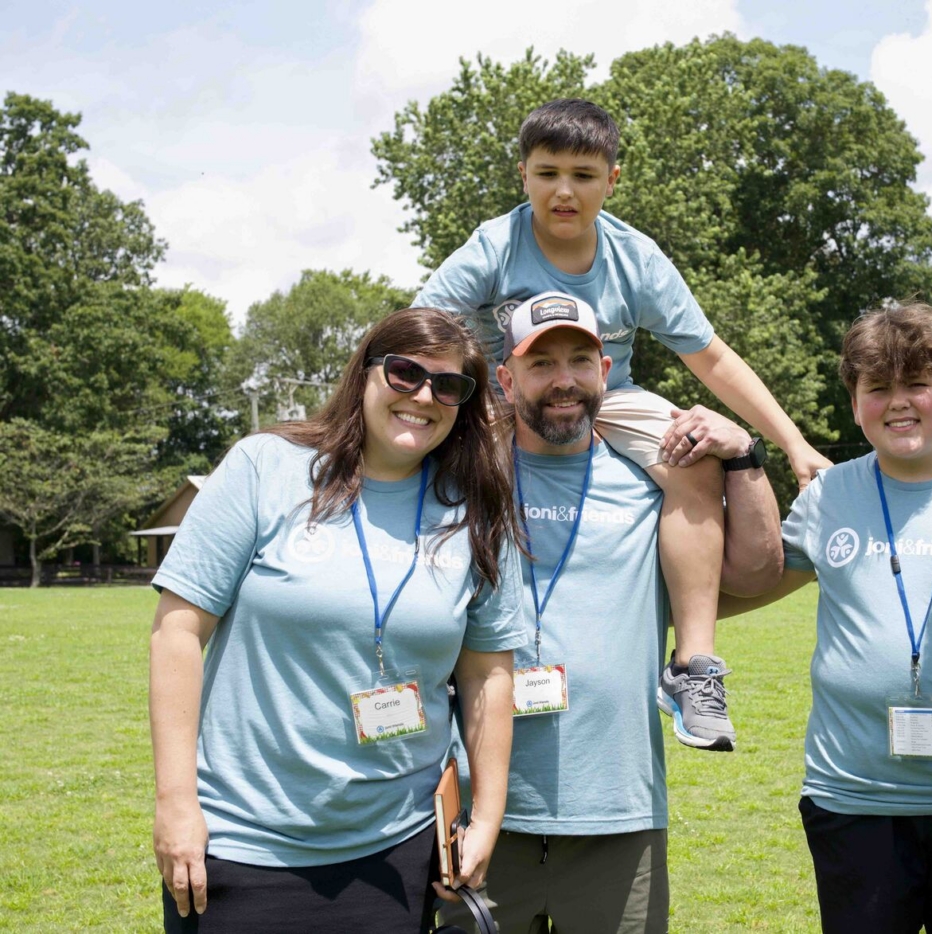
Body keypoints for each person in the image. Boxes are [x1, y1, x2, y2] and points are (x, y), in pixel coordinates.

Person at [413, 98, 832, 750]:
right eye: (547, 172)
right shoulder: (495, 246)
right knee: (437, 462)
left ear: (612, 181)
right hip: (505, 393)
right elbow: (417, 333)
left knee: (691, 452)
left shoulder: (635, 258)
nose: (563, 190)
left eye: (583, 174)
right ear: (522, 175)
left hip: (608, 395)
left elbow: (712, 357)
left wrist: (796, 446)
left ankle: (693, 666)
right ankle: (441, 641)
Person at [149, 307, 527, 933]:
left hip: (398, 853)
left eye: (447, 386)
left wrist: (486, 815)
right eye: (405, 373)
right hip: (243, 846)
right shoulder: (264, 468)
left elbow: (490, 675)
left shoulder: (476, 511)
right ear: (365, 373)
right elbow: (177, 633)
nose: (423, 396)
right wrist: (176, 803)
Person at [438, 290, 783, 934]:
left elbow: (758, 570)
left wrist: (744, 453)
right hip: (479, 815)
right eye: (541, 365)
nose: (563, 381)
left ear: (605, 372)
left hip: (617, 815)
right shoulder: (462, 478)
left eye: (579, 360)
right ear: (507, 381)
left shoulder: (658, 482)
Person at [717, 304, 932, 934]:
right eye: (878, 388)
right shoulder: (827, 496)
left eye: (918, 385)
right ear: (855, 404)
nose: (898, 403)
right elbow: (753, 583)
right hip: (855, 805)